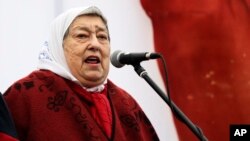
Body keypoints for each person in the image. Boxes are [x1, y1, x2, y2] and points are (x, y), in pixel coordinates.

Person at [3, 6, 159, 141]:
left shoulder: (126, 103)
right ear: (58, 46)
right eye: (82, 36)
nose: (95, 44)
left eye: (102, 37)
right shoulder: (26, 95)